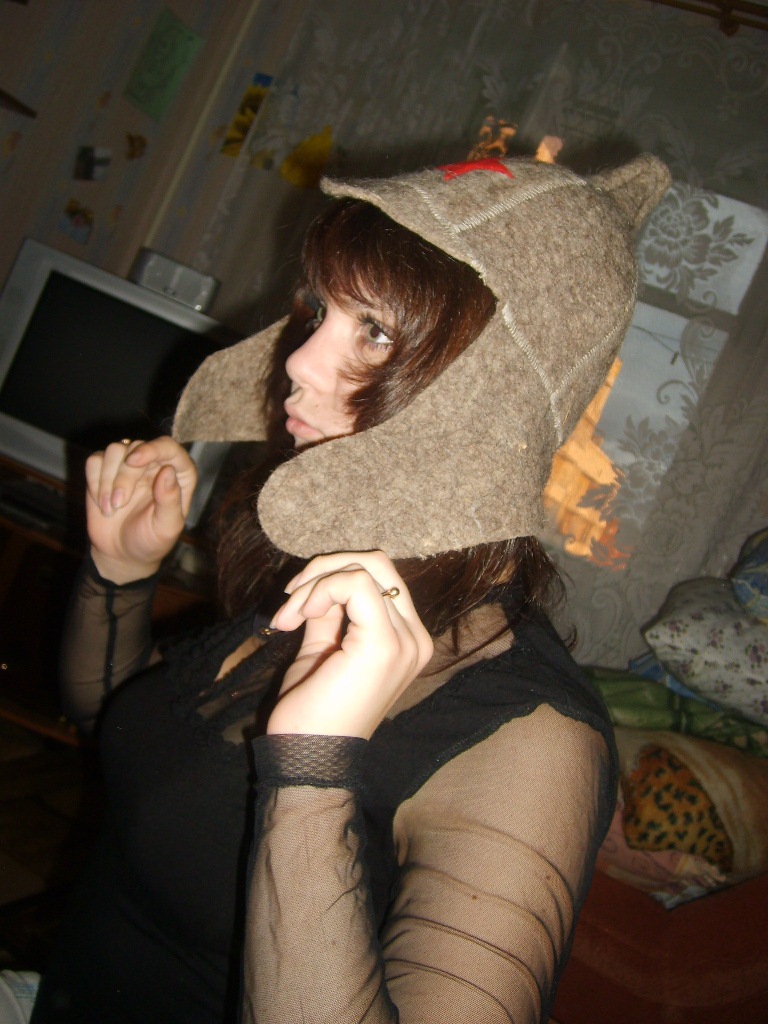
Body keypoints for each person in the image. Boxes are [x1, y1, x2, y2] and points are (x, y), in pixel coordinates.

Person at [30, 152, 670, 1024]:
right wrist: (121, 574)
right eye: (319, 310)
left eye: (373, 331)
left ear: (492, 398)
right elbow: (127, 732)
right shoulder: (335, 577)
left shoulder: (532, 744)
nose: (298, 361)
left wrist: (312, 773)